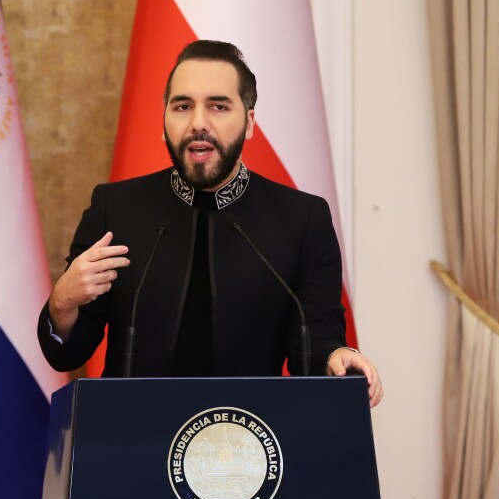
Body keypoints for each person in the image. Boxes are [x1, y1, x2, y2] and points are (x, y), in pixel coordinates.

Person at [37, 40, 383, 407]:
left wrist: (336, 358)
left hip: (251, 441)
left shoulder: (302, 218)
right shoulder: (115, 208)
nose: (198, 123)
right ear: (164, 119)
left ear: (249, 122)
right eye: (182, 106)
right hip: (134, 440)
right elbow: (68, 354)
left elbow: (315, 335)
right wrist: (62, 304)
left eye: (218, 106)